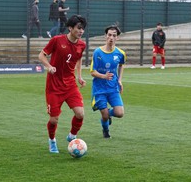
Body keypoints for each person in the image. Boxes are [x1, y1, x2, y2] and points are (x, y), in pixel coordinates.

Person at [38, 15, 87, 153]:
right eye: (78, 28)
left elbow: (78, 59)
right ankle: (52, 141)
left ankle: (72, 136)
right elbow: (41, 55)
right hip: (54, 86)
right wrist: (48, 66)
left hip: (70, 84)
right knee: (54, 120)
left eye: (83, 28)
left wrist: (79, 76)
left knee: (80, 114)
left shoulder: (82, 44)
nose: (81, 31)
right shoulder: (57, 40)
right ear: (70, 28)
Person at [90, 25, 126, 139]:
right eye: (109, 35)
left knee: (120, 113)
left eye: (114, 35)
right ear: (106, 36)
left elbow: (121, 65)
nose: (111, 37)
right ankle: (105, 130)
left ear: (117, 38)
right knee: (104, 116)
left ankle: (106, 115)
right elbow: (92, 72)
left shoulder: (120, 53)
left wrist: (119, 80)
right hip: (99, 89)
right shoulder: (97, 52)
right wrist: (103, 76)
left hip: (113, 88)